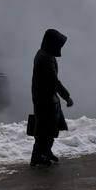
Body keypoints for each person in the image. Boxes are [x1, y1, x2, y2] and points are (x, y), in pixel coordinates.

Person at [30, 28, 73, 168]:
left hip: (48, 98)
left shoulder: (46, 55)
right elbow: (54, 81)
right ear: (51, 43)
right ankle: (37, 156)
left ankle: (46, 152)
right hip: (45, 100)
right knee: (44, 130)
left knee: (51, 127)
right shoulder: (45, 58)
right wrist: (67, 96)